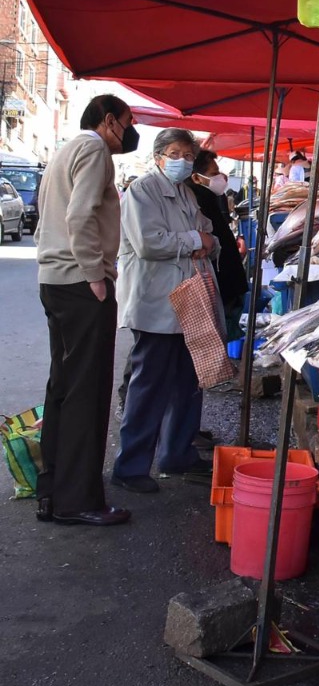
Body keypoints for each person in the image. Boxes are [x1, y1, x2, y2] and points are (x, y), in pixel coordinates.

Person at [34, 94, 136, 526]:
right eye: (128, 122)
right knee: (86, 392)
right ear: (109, 120)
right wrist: (95, 273)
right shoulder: (94, 149)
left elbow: (49, 216)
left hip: (55, 282)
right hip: (79, 282)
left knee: (64, 386)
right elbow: (79, 217)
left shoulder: (68, 149)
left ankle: (54, 490)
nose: (131, 132)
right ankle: (78, 500)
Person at [112, 129, 218, 493]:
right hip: (156, 302)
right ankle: (130, 467)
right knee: (149, 386)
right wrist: (195, 242)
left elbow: (210, 235)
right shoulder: (143, 190)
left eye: (188, 155)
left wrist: (204, 242)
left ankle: (177, 454)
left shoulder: (188, 194)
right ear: (159, 157)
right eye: (175, 153)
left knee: (189, 382)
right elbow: (149, 242)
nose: (183, 161)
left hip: (190, 300)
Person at [187, 149, 249, 342]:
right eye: (214, 174)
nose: (220, 177)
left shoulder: (211, 197)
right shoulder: (197, 200)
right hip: (220, 279)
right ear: (197, 178)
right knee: (220, 332)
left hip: (228, 276)